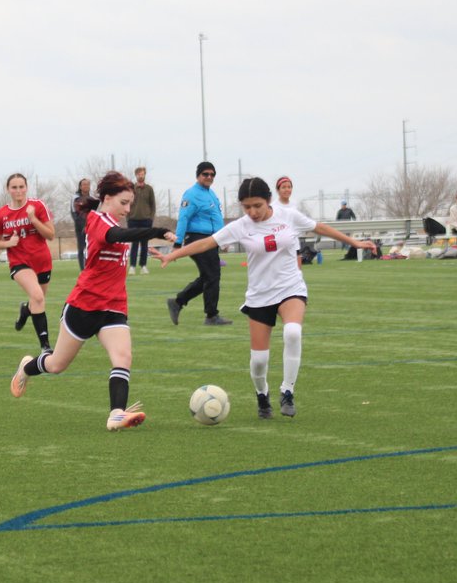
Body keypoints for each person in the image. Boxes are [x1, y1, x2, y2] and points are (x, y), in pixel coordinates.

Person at [155, 177, 375, 419]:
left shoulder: (288, 215)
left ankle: (287, 392)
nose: (252, 212)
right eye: (246, 207)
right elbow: (207, 242)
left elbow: (318, 227)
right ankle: (262, 395)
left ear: (268, 200)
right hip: (260, 295)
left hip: (291, 287)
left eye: (257, 205)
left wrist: (353, 242)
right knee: (259, 360)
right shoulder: (241, 226)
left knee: (293, 332)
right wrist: (172, 256)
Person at [10, 171, 175, 431]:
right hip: (84, 306)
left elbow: (121, 239)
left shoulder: (115, 221)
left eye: (130, 203)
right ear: (107, 198)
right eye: (123, 203)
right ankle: (27, 368)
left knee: (123, 356)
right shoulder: (98, 220)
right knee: (56, 365)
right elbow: (116, 236)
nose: (128, 209)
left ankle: (116, 414)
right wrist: (159, 231)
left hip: (114, 306)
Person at [0, 173, 56, 352]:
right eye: (14, 187)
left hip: (42, 261)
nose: (18, 191)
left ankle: (26, 310)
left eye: (21, 187)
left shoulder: (37, 206)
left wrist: (33, 219)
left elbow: (50, 235)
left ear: (26, 188)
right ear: (8, 189)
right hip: (19, 262)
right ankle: (45, 347)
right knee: (37, 297)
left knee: (37, 301)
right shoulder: (2, 214)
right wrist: (8, 244)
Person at [165, 161, 231, 326]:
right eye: (205, 174)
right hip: (197, 238)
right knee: (212, 275)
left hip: (211, 239)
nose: (209, 177)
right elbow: (184, 218)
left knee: (208, 276)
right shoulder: (191, 194)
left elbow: (216, 219)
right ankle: (211, 315)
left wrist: (224, 238)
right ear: (198, 175)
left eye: (212, 174)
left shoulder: (212, 194)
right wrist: (178, 243)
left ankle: (178, 302)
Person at [127, 167, 156, 275]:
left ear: (145, 175)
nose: (141, 176)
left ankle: (143, 266)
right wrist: (128, 218)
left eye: (143, 174)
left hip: (146, 221)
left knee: (144, 244)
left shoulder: (149, 189)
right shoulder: (131, 189)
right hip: (133, 220)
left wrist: (151, 218)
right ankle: (132, 266)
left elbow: (153, 205)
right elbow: (127, 204)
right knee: (134, 244)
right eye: (139, 174)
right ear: (136, 175)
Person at [70, 178, 99, 272]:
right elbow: (74, 213)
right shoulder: (75, 198)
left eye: (87, 184)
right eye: (84, 184)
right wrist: (81, 224)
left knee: (91, 247)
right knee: (81, 247)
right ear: (80, 186)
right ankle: (83, 269)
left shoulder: (92, 199)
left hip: (91, 227)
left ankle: (90, 266)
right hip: (80, 227)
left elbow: (95, 213)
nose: (86, 186)